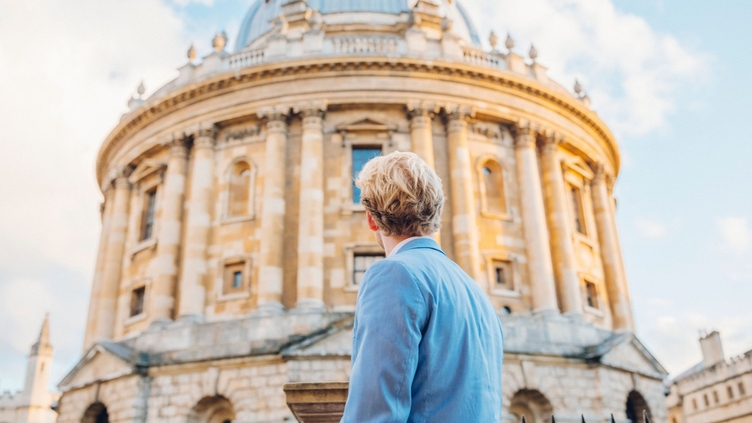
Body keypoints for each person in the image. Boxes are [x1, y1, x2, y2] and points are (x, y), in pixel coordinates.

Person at [341, 151, 504, 422]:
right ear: (436, 212)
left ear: (371, 218)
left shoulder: (394, 274)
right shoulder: (477, 294)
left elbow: (375, 411)